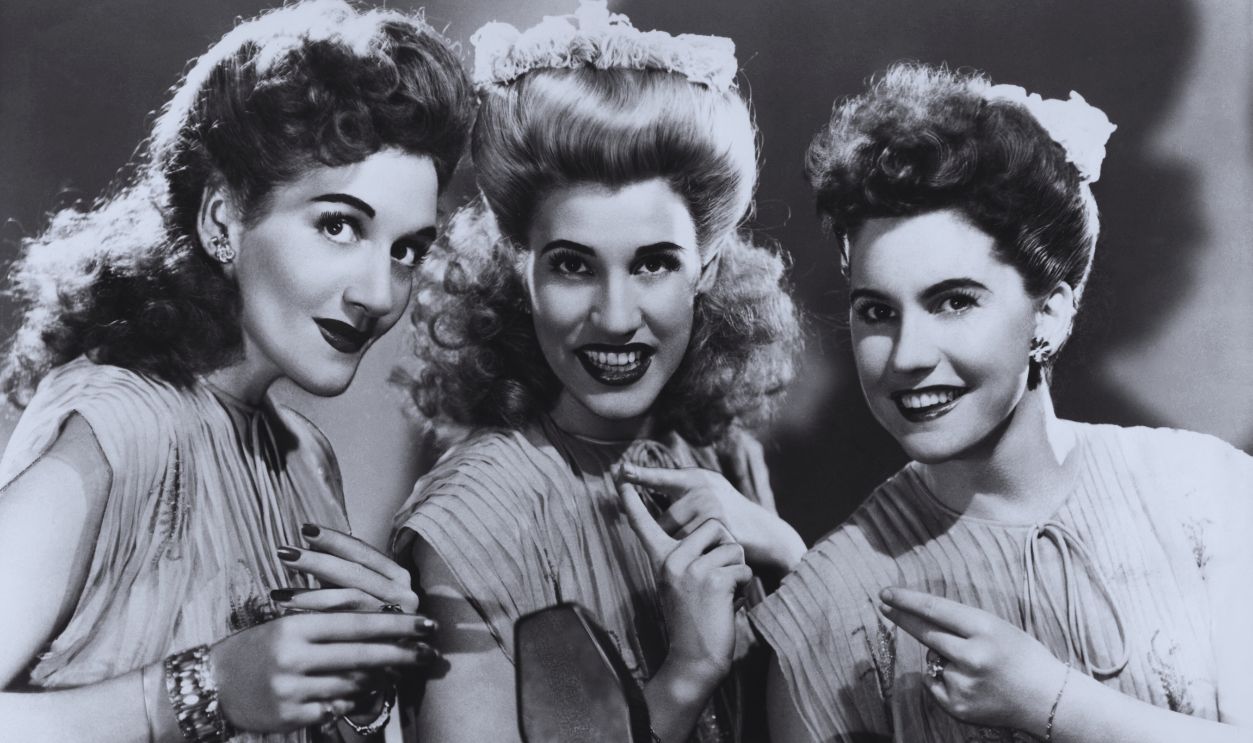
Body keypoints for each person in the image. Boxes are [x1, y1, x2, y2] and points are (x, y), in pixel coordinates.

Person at [0, 2, 473, 740]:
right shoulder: (119, 428)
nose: (379, 294)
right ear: (221, 218)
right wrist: (195, 690)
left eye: (405, 248)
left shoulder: (305, 458)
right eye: (339, 224)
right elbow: (217, 696)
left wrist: (357, 690)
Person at [746, 63, 1253, 742]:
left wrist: (1051, 700)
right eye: (876, 312)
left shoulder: (1201, 492)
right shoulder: (822, 613)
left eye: (953, 301)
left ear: (1048, 313)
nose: (906, 355)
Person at [389, 3, 804, 741]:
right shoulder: (471, 515)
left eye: (653, 264)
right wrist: (684, 672)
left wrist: (790, 554)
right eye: (574, 265)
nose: (614, 316)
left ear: (705, 268)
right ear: (521, 269)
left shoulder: (719, 455)